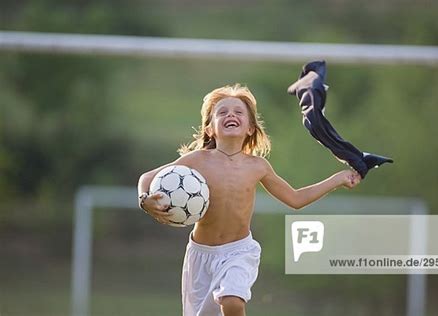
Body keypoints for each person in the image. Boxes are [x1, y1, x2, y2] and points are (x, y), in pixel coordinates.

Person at [137, 84, 361, 316]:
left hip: (239, 251)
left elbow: (295, 199)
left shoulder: (258, 166)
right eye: (222, 113)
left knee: (233, 301)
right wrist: (145, 200)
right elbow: (147, 178)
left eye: (238, 112)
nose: (230, 115)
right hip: (201, 256)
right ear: (210, 128)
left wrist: (337, 179)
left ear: (251, 128)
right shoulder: (197, 160)